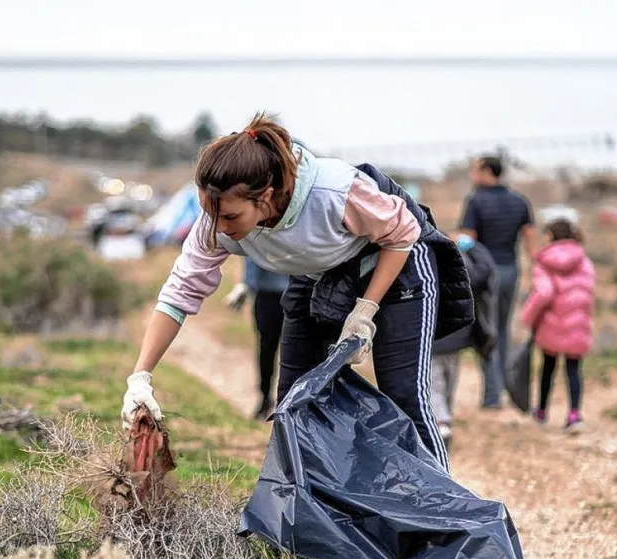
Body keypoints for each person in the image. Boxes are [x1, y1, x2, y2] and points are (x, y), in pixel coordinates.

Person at [120, 113, 473, 474]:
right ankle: (303, 518)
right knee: (293, 404)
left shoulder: (334, 192)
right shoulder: (215, 223)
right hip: (319, 275)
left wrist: (365, 309)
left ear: (267, 196)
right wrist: (140, 377)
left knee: (403, 398)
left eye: (229, 216)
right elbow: (178, 294)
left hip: (399, 267)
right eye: (209, 213)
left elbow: (402, 233)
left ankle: (442, 517)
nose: (216, 227)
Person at [459, 155, 535, 410]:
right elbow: (529, 240)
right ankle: (502, 387)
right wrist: (535, 273)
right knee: (502, 330)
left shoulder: (476, 201)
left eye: (474, 170)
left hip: (486, 274)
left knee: (486, 330)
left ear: (485, 171)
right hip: (511, 270)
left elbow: (468, 240)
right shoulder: (519, 201)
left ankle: (492, 397)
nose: (472, 175)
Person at [519, 218, 595, 433]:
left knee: (548, 367)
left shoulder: (544, 261)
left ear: (551, 236)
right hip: (578, 322)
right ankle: (574, 414)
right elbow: (588, 290)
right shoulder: (584, 260)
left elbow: (543, 293)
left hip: (551, 322)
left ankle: (542, 411)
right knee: (573, 369)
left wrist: (528, 317)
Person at [430, 233, 498, 444]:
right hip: (456, 338)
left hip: (431, 340)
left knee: (434, 384)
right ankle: (444, 421)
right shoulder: (462, 270)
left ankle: (441, 422)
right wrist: (474, 246)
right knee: (449, 381)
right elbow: (486, 269)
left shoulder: (422, 271)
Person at [224, 257, 290, 420]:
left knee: (294, 351)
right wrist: (246, 284)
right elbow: (253, 252)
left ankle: (289, 403)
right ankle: (265, 398)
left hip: (296, 294)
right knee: (267, 349)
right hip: (268, 296)